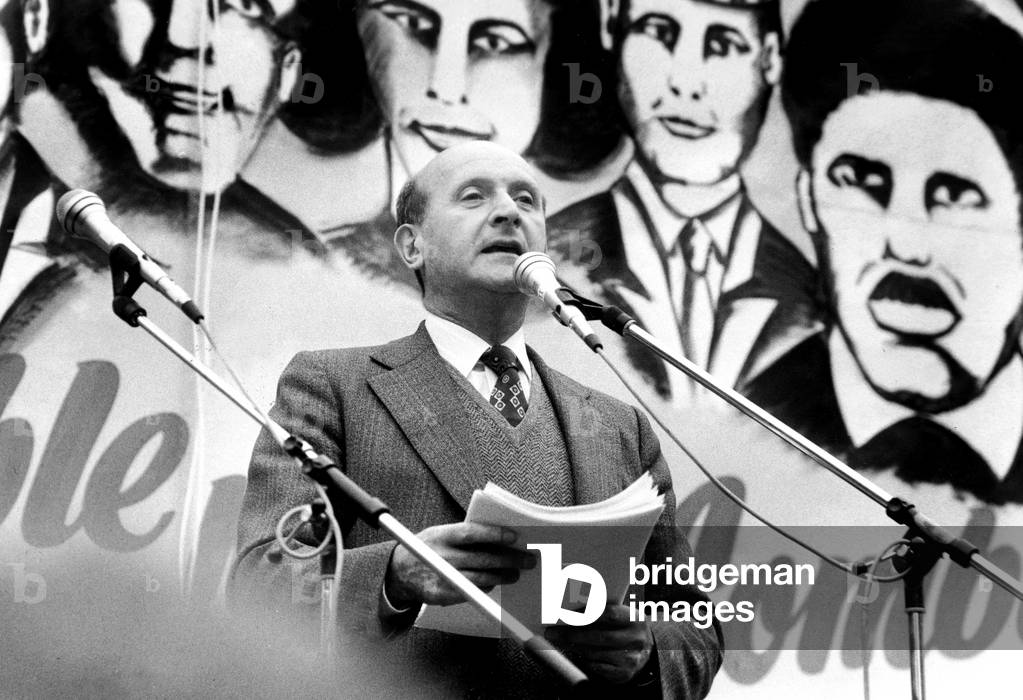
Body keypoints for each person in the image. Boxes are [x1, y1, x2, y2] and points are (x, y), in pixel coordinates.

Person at [230, 142, 723, 697]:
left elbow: (694, 625)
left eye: (527, 201)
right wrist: (393, 574)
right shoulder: (332, 387)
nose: (510, 212)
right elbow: (261, 586)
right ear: (412, 245)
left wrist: (644, 653)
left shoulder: (620, 428)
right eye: (473, 197)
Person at [742, 0, 1023, 504]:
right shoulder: (749, 422)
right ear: (808, 200)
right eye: (864, 184)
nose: (906, 246)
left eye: (955, 194)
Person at [547, 0, 817, 401]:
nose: (687, 83)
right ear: (610, 25)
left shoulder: (810, 303)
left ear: (771, 57)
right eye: (658, 32)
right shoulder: (550, 257)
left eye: (723, 45)